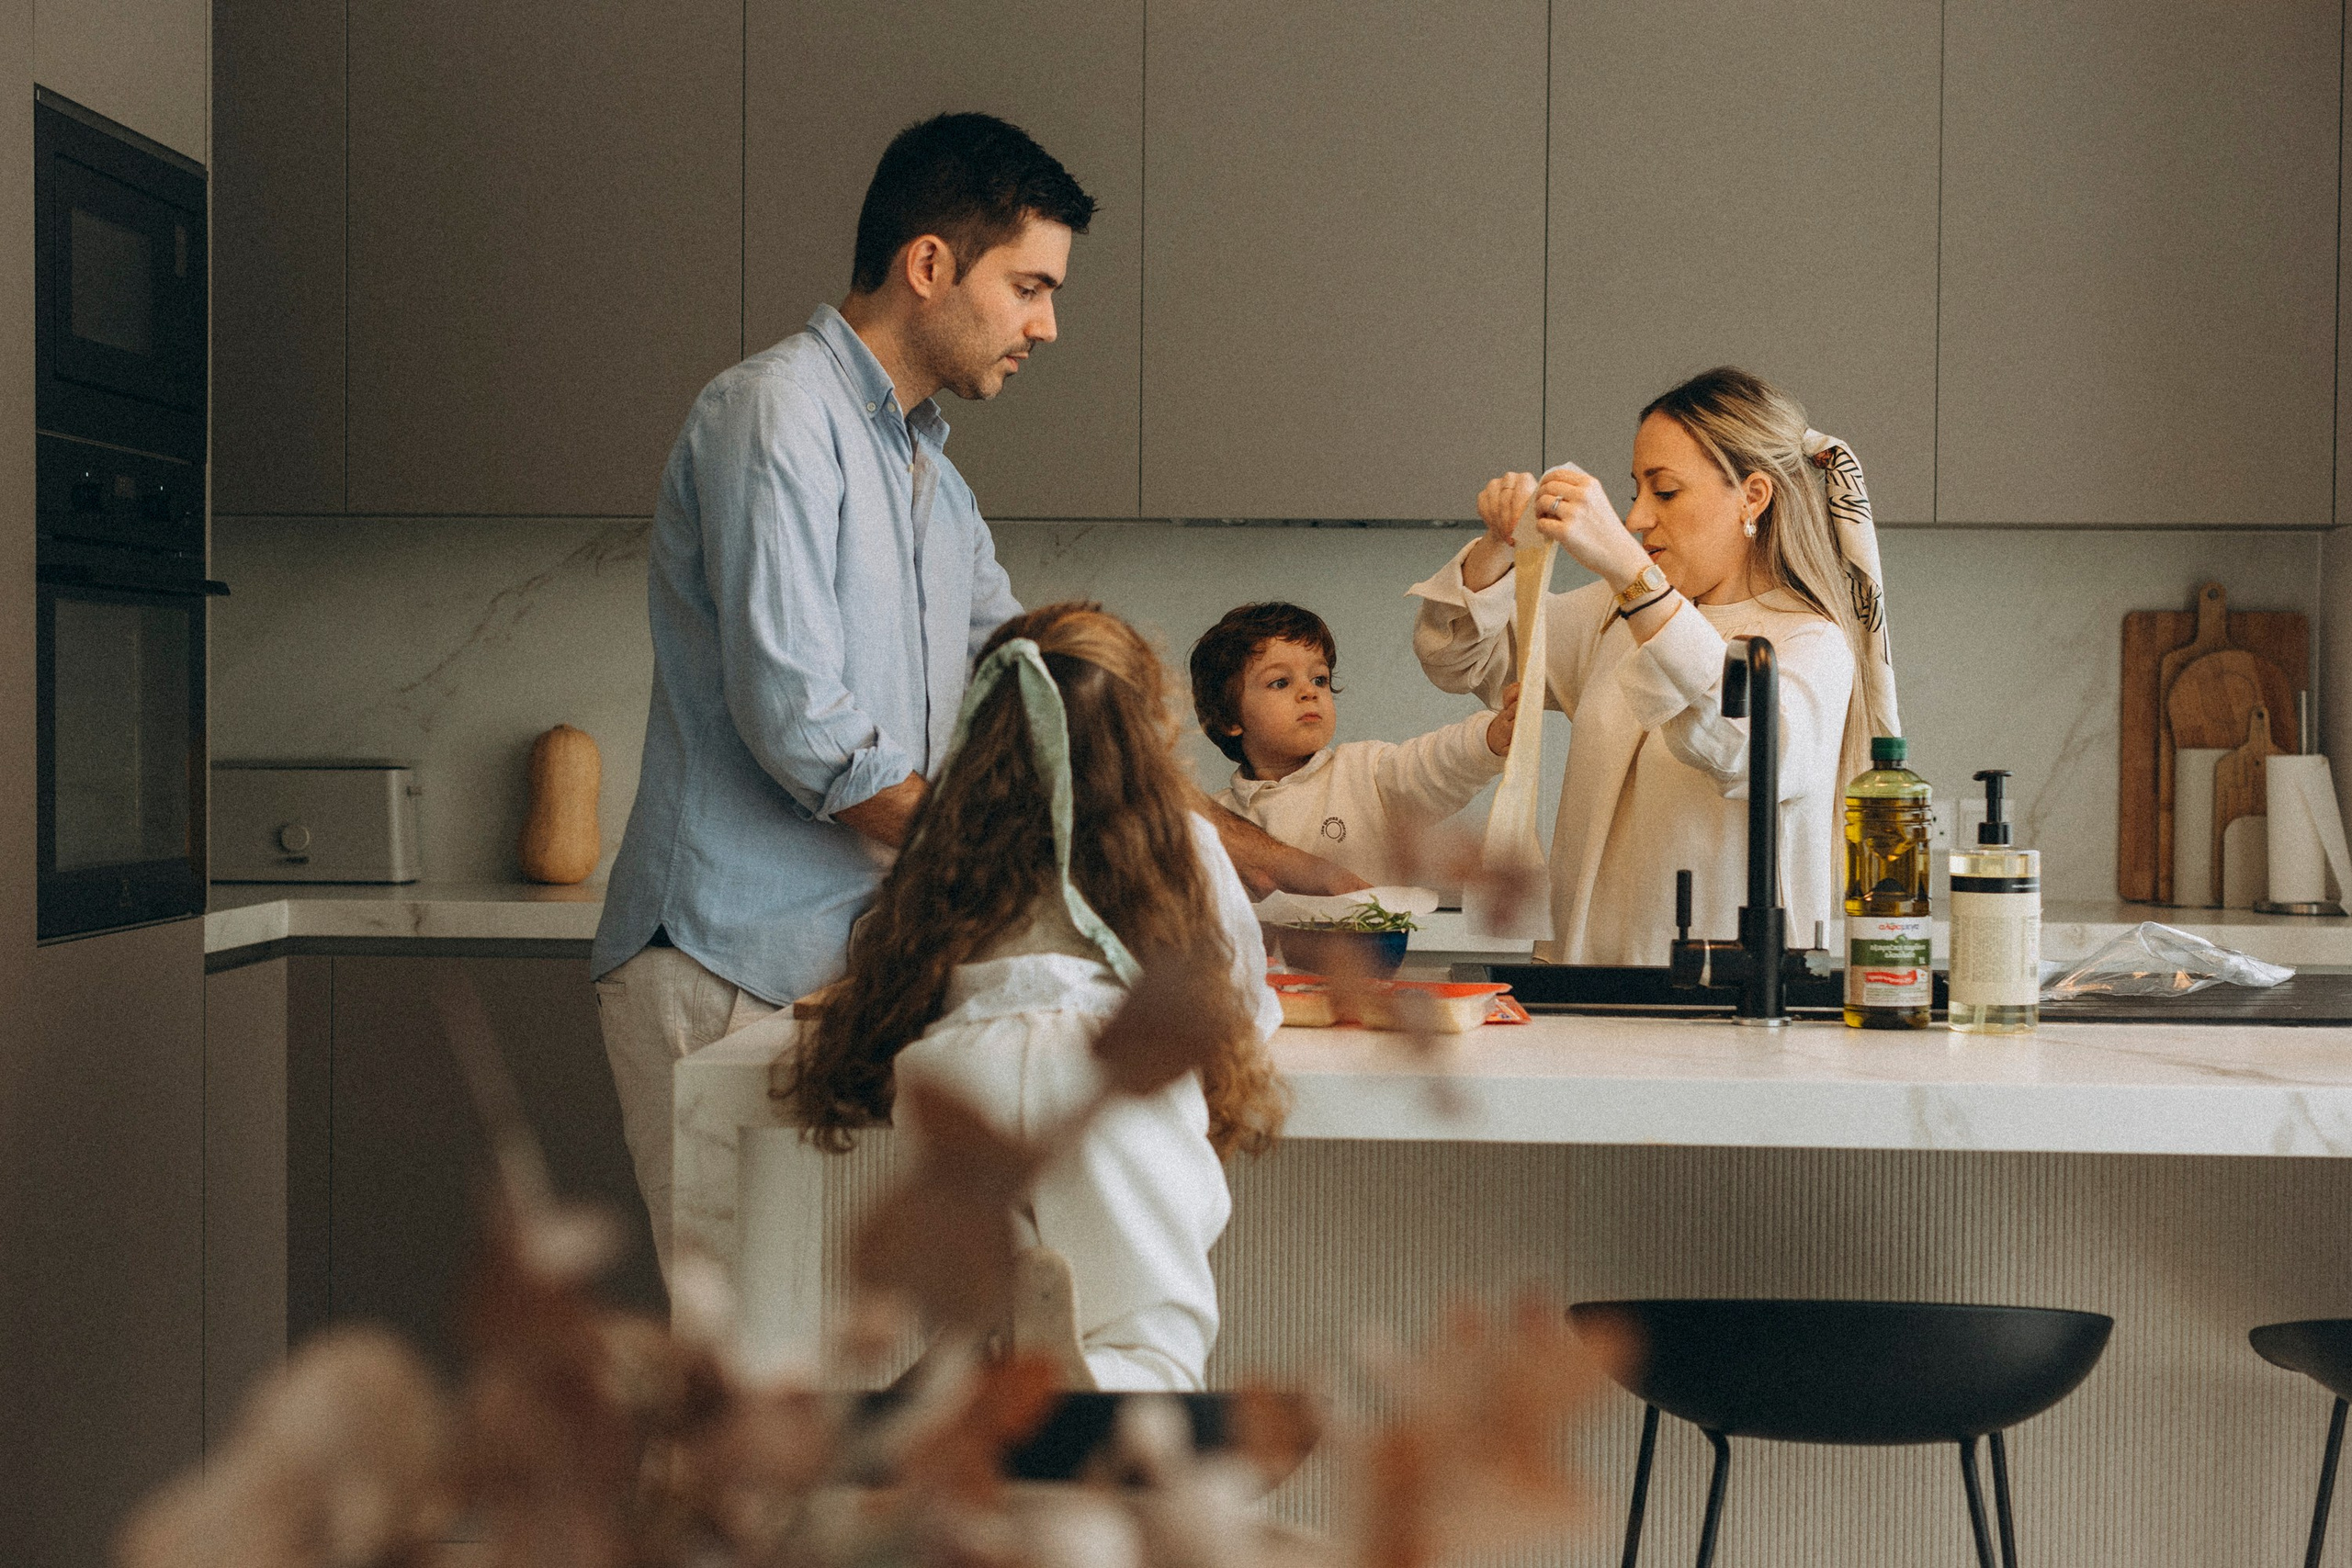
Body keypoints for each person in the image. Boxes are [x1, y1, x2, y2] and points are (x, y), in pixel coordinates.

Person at [592, 113, 1352, 1273]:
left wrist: (1279, 864)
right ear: (929, 263)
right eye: (1029, 287)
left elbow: (1058, 710)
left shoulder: (931, 482)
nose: (1048, 325)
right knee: (747, 1351)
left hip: (849, 978)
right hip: (728, 964)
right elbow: (801, 723)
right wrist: (1043, 856)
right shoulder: (772, 414)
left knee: (859, 1345)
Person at [781, 604, 1284, 1392]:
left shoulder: (952, 837)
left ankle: (976, 1380)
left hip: (960, 1076)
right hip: (1105, 1086)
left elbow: (896, 969)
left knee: (996, 1319)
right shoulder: (1177, 840)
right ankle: (1096, 1400)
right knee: (1148, 1342)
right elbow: (1236, 1000)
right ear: (1145, 725)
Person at [1411, 366, 1900, 966]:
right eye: (1635, 490)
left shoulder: (1810, 642)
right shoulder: (1612, 616)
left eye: (1664, 491)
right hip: (1579, 987)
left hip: (1720, 1000)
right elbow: (1463, 657)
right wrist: (1499, 544)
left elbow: (1742, 744)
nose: (1637, 518)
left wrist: (1629, 571)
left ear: (1753, 496)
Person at [1190, 602, 1521, 887]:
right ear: (1228, 719)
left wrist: (1488, 738)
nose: (1309, 692)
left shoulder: (1365, 772)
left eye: (1319, 679)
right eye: (1280, 682)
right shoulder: (1216, 818)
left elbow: (1432, 764)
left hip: (1369, 944)